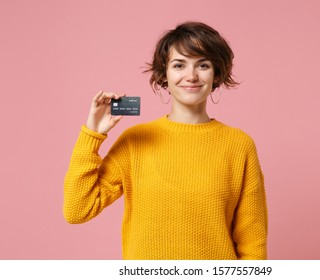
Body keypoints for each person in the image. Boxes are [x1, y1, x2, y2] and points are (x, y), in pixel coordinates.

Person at [63, 21, 268, 260]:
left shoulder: (239, 144)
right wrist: (92, 134)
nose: (191, 76)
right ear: (164, 74)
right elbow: (78, 210)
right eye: (179, 65)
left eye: (203, 65)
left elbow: (252, 239)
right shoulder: (135, 141)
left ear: (216, 74)